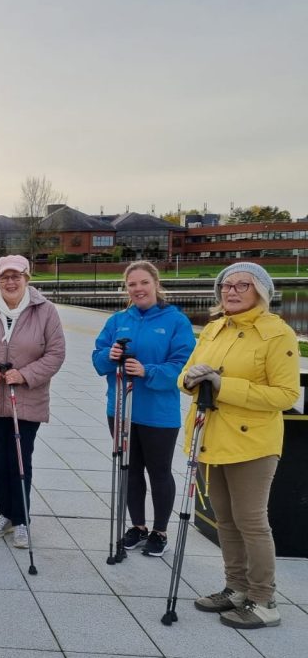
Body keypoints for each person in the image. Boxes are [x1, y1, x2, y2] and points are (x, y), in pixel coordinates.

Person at [183, 262, 299, 629]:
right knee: (225, 521)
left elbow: (286, 395)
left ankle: (264, 599)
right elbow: (186, 376)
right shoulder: (215, 328)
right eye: (226, 286)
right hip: (212, 437)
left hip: (253, 443)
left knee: (251, 521)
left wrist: (222, 384)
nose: (231, 292)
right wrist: (190, 379)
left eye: (242, 286)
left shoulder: (277, 334)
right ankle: (236, 588)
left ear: (261, 292)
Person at [0, 255, 65, 549]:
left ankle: (22, 520)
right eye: (4, 277)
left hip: (26, 398)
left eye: (16, 276)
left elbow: (55, 353)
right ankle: (5, 513)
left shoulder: (45, 311)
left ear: (26, 278)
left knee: (20, 459)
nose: (10, 281)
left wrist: (26, 374)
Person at [91, 261, 195, 557]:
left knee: (159, 471)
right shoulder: (118, 320)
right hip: (121, 410)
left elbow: (181, 366)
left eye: (143, 283)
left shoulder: (175, 321)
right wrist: (109, 357)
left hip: (158, 413)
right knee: (129, 470)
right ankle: (137, 526)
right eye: (132, 284)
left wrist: (147, 370)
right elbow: (98, 360)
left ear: (156, 284)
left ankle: (160, 531)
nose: (138, 289)